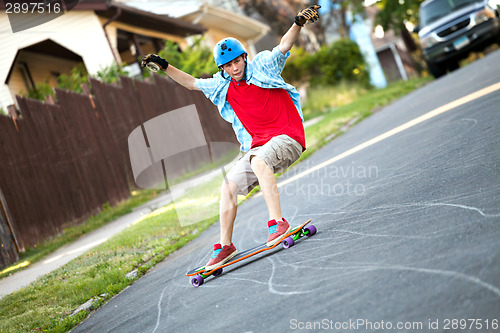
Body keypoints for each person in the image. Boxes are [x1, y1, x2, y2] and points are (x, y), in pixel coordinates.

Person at [141, 5, 321, 270]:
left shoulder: (263, 66)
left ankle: (277, 223)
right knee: (228, 186)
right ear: (222, 68)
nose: (234, 68)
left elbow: (283, 46)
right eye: (228, 65)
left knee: (259, 162)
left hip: (287, 136)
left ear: (244, 58)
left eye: (237, 61)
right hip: (258, 145)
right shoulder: (221, 85)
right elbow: (192, 83)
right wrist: (165, 65)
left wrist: (297, 23)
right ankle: (225, 245)